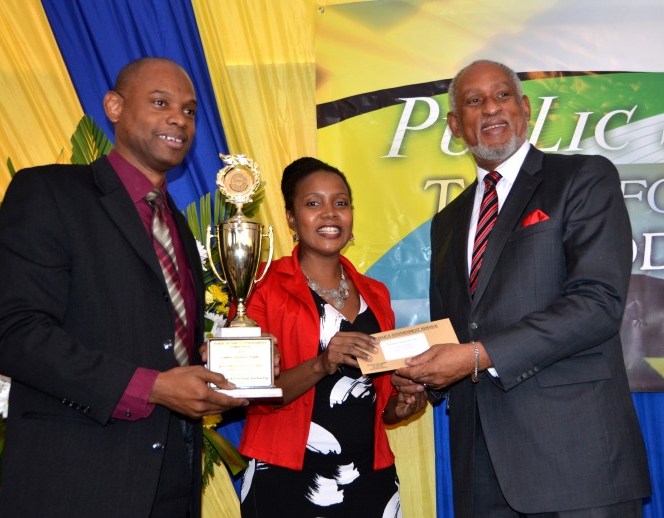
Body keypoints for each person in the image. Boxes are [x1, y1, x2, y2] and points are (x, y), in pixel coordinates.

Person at [0, 57, 252, 518]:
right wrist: (150, 388)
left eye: (189, 111)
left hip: (171, 483)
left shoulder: (177, 226)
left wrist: (232, 363)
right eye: (160, 103)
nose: (178, 119)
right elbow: (13, 334)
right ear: (114, 106)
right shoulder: (49, 192)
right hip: (75, 485)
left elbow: (163, 343)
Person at [393, 60, 651, 517]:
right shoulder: (448, 222)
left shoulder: (582, 178)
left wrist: (477, 355)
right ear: (455, 125)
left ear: (525, 108)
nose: (490, 108)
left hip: (578, 461)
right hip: (481, 465)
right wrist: (420, 382)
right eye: (474, 101)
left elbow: (597, 303)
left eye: (502, 95)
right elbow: (452, 329)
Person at [238, 157, 426, 517]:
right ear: (291, 218)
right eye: (313, 204)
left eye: (340, 203)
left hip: (370, 478)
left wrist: (402, 405)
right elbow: (254, 395)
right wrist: (322, 364)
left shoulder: (376, 293)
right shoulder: (262, 289)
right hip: (287, 477)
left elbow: (380, 402)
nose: (330, 214)